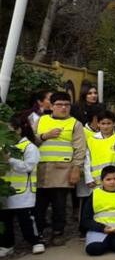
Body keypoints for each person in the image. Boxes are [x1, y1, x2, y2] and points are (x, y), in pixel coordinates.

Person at [34, 92, 86, 246]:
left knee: (59, 205)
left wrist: (76, 169)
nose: (63, 108)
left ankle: (58, 233)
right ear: (52, 105)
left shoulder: (75, 124)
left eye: (66, 105)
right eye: (59, 104)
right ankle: (39, 233)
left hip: (63, 170)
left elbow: (80, 149)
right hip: (41, 170)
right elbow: (30, 140)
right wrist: (44, 136)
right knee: (39, 205)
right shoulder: (41, 120)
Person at [0, 115, 45, 256]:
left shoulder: (29, 147)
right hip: (6, 191)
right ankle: (7, 244)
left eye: (10, 130)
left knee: (26, 219)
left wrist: (10, 160)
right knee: (5, 219)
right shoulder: (3, 146)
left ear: (19, 130)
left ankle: (35, 241)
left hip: (23, 192)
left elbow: (28, 166)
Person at [81, 165, 115, 256]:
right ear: (102, 181)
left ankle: (110, 242)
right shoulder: (95, 194)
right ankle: (106, 242)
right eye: (108, 179)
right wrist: (102, 228)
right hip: (99, 229)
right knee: (94, 250)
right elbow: (85, 219)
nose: (112, 182)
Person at [82, 110, 115, 197]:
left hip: (114, 179)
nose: (106, 126)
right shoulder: (91, 140)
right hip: (96, 180)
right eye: (103, 123)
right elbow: (87, 160)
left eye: (109, 123)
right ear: (98, 124)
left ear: (114, 124)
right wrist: (88, 178)